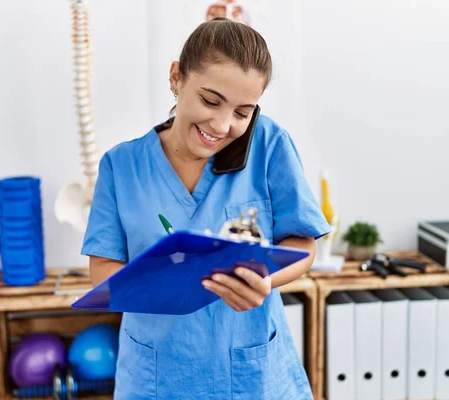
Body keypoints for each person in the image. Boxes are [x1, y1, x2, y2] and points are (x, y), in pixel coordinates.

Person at [81, 18, 330, 399]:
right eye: (210, 101)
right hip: (157, 376)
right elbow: (101, 269)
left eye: (243, 112)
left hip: (252, 376)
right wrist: (163, 285)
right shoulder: (122, 166)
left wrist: (266, 282)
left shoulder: (269, 145)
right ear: (177, 78)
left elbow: (303, 244)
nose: (222, 124)